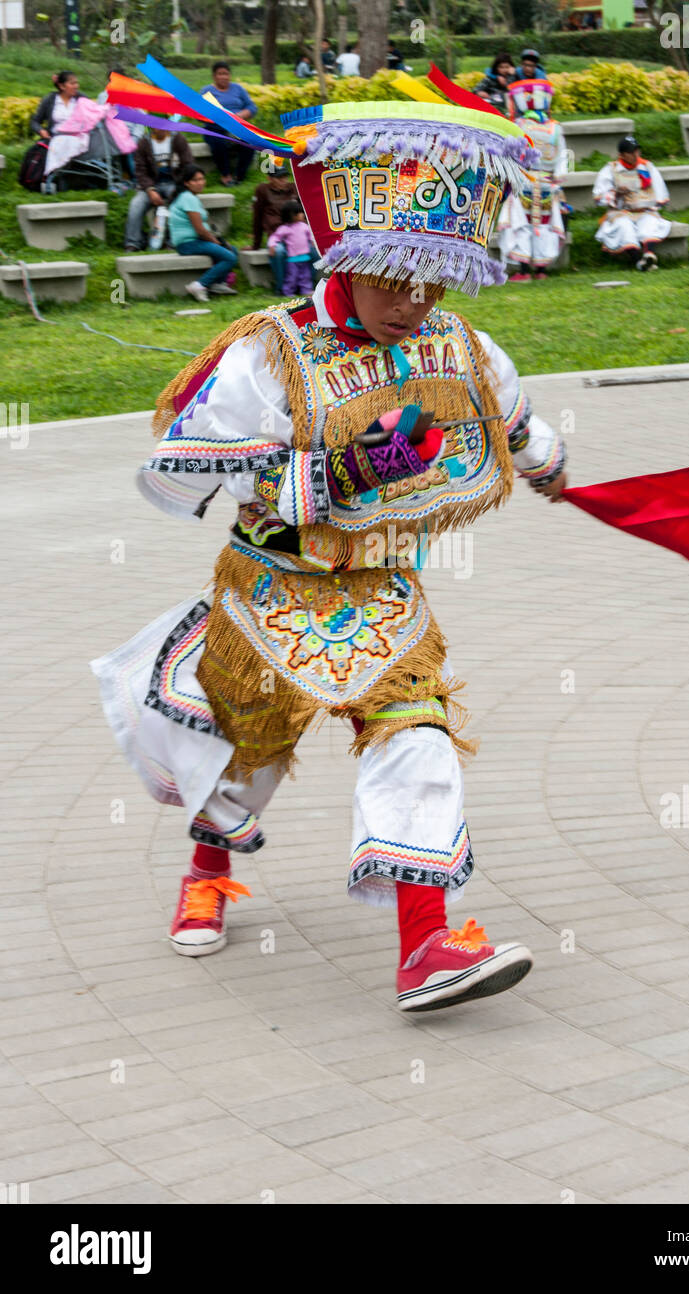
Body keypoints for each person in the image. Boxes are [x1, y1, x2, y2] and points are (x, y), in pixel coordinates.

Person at [92, 84, 569, 1014]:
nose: (414, 301)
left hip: (385, 590)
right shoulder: (268, 354)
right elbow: (179, 480)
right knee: (249, 756)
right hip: (271, 589)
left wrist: (549, 461)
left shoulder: (456, 343)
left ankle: (427, 945)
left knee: (417, 734)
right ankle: (207, 869)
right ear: (348, 255)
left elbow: (508, 420)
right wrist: (340, 470)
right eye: (395, 278)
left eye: (432, 279)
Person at [497, 76, 567, 280]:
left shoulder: (518, 125)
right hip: (547, 184)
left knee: (521, 225)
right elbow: (563, 157)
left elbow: (509, 154)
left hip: (524, 181)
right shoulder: (555, 127)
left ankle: (524, 270)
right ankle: (541, 271)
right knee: (544, 225)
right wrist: (558, 179)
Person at [592, 135, 672, 271]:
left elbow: (660, 194)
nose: (635, 155)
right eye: (631, 152)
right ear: (621, 155)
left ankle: (649, 254)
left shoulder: (647, 167)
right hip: (620, 212)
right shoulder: (610, 169)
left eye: (637, 151)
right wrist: (616, 193)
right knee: (624, 227)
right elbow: (599, 196)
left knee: (650, 224)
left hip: (644, 211)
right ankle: (639, 262)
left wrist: (650, 204)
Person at [168, 162, 239, 301]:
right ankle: (199, 285)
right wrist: (216, 242)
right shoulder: (188, 198)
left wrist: (219, 242)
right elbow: (200, 230)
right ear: (186, 183)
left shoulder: (189, 197)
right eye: (195, 180)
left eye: (202, 179)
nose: (200, 183)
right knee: (229, 257)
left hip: (195, 241)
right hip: (189, 243)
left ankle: (218, 284)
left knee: (233, 250)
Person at [124, 125, 192, 251]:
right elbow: (140, 171)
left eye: (161, 123)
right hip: (151, 184)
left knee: (177, 201)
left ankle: (172, 240)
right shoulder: (144, 142)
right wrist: (150, 189)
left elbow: (187, 166)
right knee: (136, 204)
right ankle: (133, 242)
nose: (159, 128)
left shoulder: (178, 140)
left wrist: (179, 187)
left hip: (174, 182)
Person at [200, 62, 258, 185]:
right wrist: (217, 118)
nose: (223, 77)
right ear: (214, 76)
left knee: (250, 141)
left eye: (226, 74)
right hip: (215, 128)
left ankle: (239, 176)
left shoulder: (238, 89)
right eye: (220, 74)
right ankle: (225, 175)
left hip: (238, 126)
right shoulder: (206, 91)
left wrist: (242, 114)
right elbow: (199, 114)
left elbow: (252, 106)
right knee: (218, 143)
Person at [267, 200, 317, 295]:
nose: (302, 214)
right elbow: (275, 237)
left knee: (305, 276)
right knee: (291, 276)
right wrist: (272, 245)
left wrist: (313, 241)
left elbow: (311, 235)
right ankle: (288, 291)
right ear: (292, 215)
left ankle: (305, 290)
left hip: (305, 257)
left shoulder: (304, 226)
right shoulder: (285, 228)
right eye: (299, 213)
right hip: (293, 259)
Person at [30, 71, 83, 139]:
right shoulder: (50, 100)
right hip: (55, 140)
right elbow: (34, 122)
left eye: (77, 83)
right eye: (72, 83)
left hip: (78, 141)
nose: (76, 86)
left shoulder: (80, 99)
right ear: (62, 86)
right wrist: (41, 131)